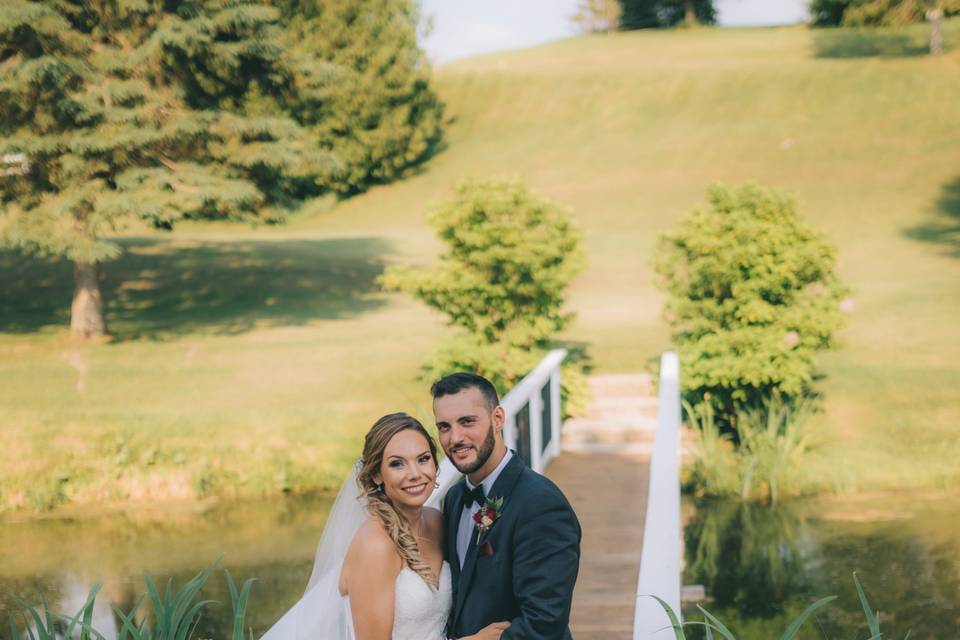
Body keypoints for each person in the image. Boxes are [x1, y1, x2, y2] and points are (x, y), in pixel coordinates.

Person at [261, 412, 509, 640]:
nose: (414, 473)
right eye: (397, 464)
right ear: (376, 475)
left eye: (423, 459)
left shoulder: (436, 521)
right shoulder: (375, 544)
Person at [433, 373, 582, 640]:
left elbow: (545, 622)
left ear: (498, 419)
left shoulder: (541, 505)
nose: (455, 438)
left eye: (467, 422)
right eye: (444, 426)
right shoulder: (454, 498)